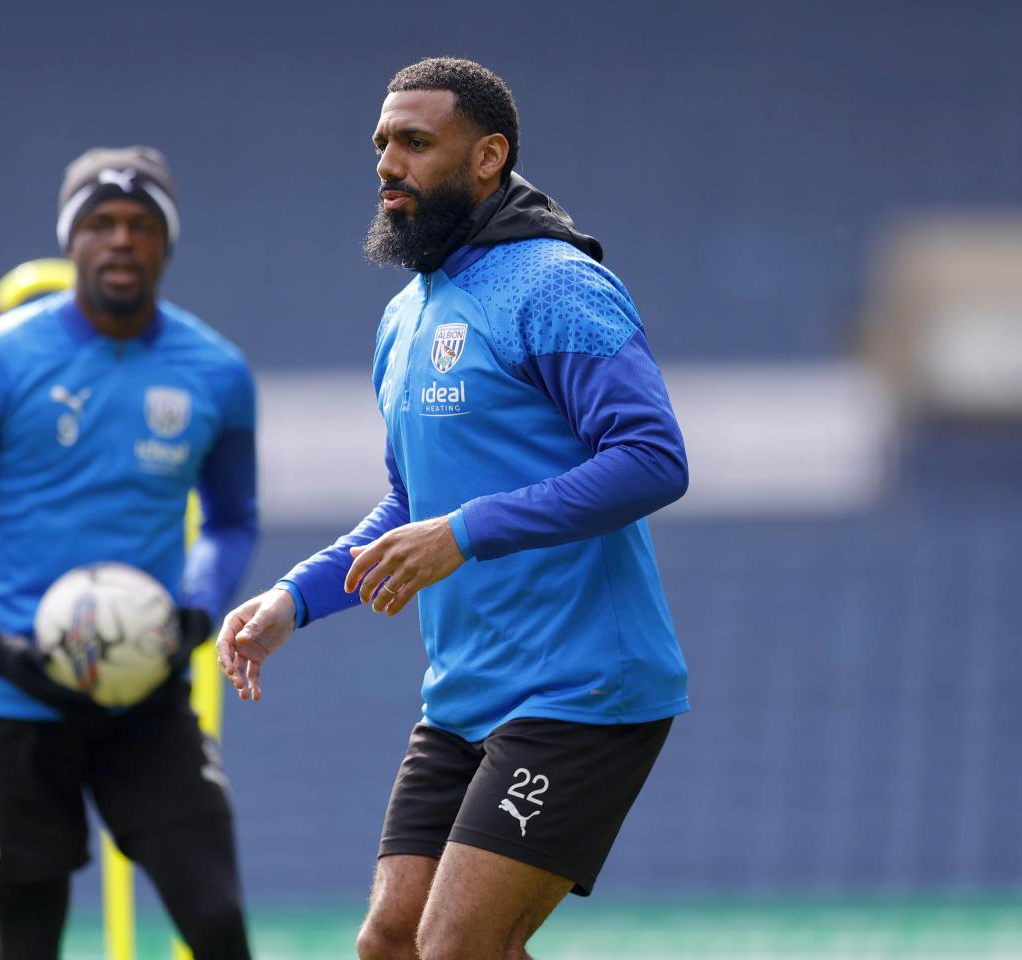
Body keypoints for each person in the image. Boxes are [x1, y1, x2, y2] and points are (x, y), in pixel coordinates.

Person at [217, 58, 690, 960]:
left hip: (584, 688)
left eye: (416, 143)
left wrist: (465, 535)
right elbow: (410, 504)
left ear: (489, 157)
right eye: (383, 143)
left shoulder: (557, 286)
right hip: (465, 696)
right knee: (389, 943)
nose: (390, 162)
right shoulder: (403, 317)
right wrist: (294, 598)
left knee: (456, 949)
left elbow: (651, 460)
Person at [0, 146, 257, 960]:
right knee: (23, 946)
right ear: (71, 240)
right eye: (100, 223)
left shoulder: (216, 371)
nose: (120, 241)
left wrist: (199, 605)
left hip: (147, 695)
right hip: (14, 698)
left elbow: (235, 518)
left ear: (167, 242)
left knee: (217, 924)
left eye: (141, 224)